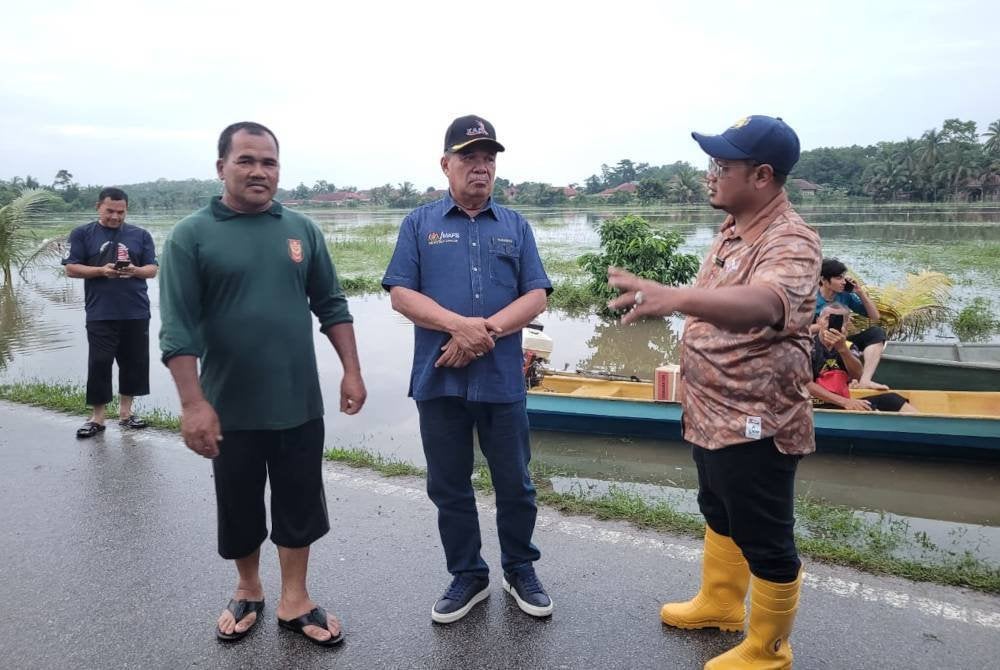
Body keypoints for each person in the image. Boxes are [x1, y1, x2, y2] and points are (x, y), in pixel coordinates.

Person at [607, 116, 819, 668]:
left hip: (758, 420)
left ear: (763, 176)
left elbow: (768, 303)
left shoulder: (791, 240)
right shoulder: (733, 228)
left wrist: (675, 297)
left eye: (724, 166)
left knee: (764, 533)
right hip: (711, 413)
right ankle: (722, 604)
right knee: (720, 509)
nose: (711, 175)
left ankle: (768, 649)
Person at [159, 122, 366, 647]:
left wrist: (352, 369)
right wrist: (193, 404)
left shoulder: (300, 229)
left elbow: (331, 304)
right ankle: (247, 587)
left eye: (269, 162)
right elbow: (177, 330)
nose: (258, 171)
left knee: (300, 503)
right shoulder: (191, 236)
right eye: (246, 160)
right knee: (239, 503)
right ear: (221, 167)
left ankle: (294, 598)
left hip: (299, 401)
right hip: (229, 406)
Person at [382, 115, 553, 624]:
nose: (481, 168)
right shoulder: (419, 224)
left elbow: (537, 294)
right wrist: (460, 327)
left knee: (515, 483)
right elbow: (400, 294)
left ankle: (519, 568)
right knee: (449, 484)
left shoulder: (516, 225)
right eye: (469, 158)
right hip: (440, 379)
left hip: (501, 381)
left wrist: (483, 335)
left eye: (489, 159)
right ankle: (468, 575)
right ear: (446, 164)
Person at [62, 187, 158, 438]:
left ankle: (126, 414)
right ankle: (98, 418)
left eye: (121, 212)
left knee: (134, 363)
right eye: (110, 211)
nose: (115, 217)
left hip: (136, 310)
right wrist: (100, 271)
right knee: (100, 363)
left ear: (127, 210)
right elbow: (71, 268)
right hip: (100, 311)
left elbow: (152, 269)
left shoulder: (141, 234)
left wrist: (134, 270)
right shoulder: (82, 233)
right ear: (98, 207)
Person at [810, 305, 916, 413]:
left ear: (846, 325)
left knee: (892, 400)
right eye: (827, 319)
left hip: (840, 404)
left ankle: (924, 427)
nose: (830, 324)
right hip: (810, 405)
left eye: (838, 320)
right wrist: (845, 402)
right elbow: (804, 383)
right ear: (818, 321)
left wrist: (842, 349)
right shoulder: (805, 346)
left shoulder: (848, 346)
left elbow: (858, 375)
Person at [813, 257, 889, 390]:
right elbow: (799, 330)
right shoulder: (811, 299)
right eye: (838, 278)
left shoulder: (845, 296)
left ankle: (865, 380)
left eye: (844, 278)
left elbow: (875, 316)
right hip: (819, 342)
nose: (843, 282)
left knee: (876, 333)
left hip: (842, 340)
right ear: (823, 280)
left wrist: (860, 293)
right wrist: (823, 325)